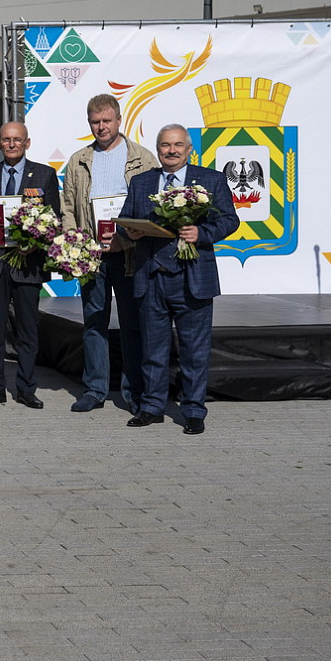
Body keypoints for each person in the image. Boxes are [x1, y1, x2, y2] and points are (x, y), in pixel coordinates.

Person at [120, 124, 238, 435]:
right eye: (164, 145)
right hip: (152, 277)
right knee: (152, 349)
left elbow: (230, 220)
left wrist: (202, 233)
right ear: (157, 150)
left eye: (177, 145)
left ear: (189, 149)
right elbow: (124, 219)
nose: (170, 151)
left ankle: (194, 411)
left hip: (193, 277)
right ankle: (152, 407)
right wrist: (128, 231)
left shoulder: (211, 179)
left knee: (194, 351)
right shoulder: (141, 181)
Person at [60, 95, 156, 412]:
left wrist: (124, 239)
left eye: (106, 121)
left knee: (132, 324)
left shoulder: (143, 158)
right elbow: (69, 209)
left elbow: (152, 209)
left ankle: (133, 392)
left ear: (119, 120)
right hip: (91, 256)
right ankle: (94, 390)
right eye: (95, 122)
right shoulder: (78, 160)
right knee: (94, 322)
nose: (101, 127)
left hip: (130, 255)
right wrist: (77, 246)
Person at [0, 121, 62, 409]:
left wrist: (40, 229)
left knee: (27, 330)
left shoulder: (45, 175)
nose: (11, 144)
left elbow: (55, 219)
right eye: (6, 140)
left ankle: (26, 388)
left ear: (27, 143)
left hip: (28, 262)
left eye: (17, 140)